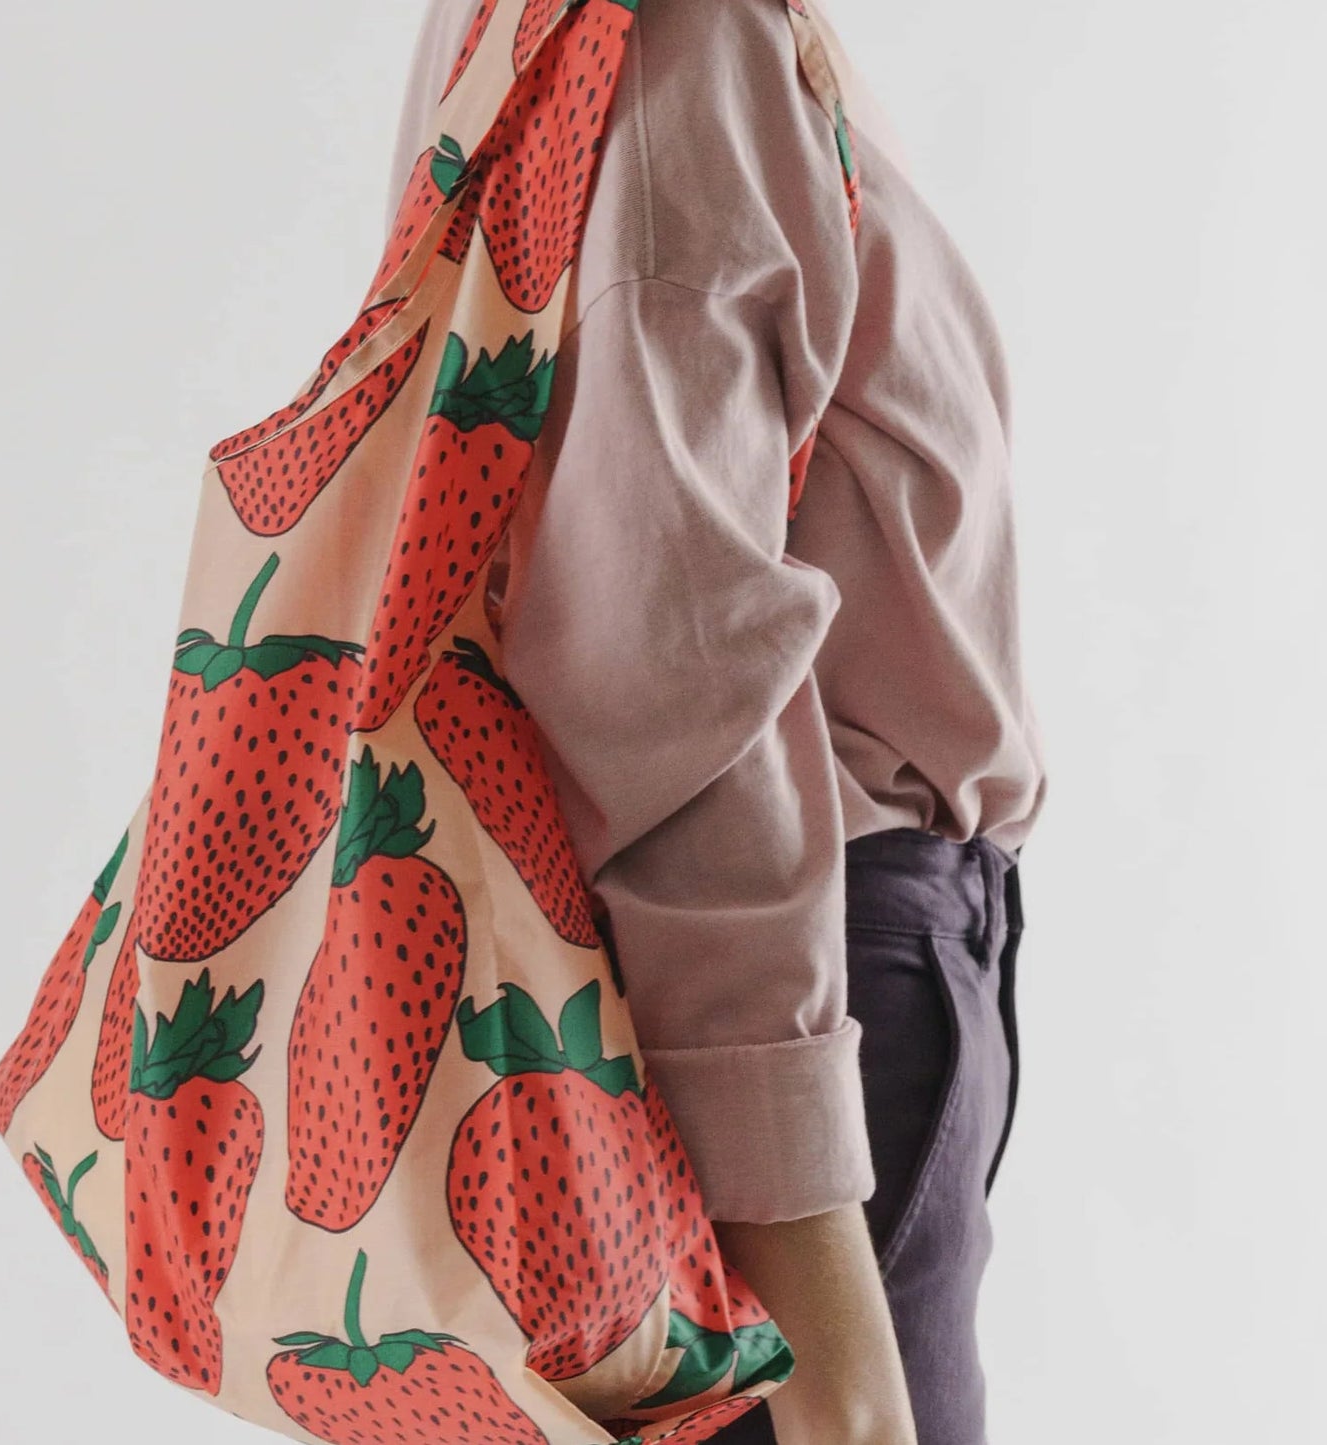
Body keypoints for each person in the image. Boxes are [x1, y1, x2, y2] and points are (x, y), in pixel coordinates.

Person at [386, 3, 1048, 1444]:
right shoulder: (688, 36)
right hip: (792, 1003)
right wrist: (836, 1368)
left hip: (784, 994)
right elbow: (669, 679)